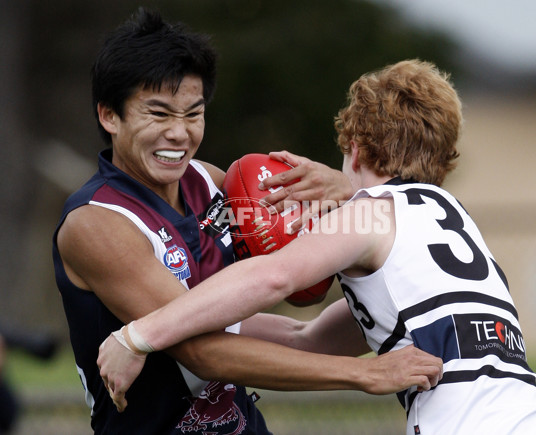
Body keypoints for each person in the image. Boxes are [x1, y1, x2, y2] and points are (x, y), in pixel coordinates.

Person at [97, 59, 536, 434]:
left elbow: (273, 276)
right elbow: (312, 339)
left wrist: (137, 336)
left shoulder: (368, 213)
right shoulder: (455, 223)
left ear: (356, 150)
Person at [52, 8, 443, 434]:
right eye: (159, 114)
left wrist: (345, 197)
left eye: (193, 113)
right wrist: (365, 374)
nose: (180, 134)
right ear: (110, 115)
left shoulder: (215, 184)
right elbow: (200, 350)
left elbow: (303, 319)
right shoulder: (97, 223)